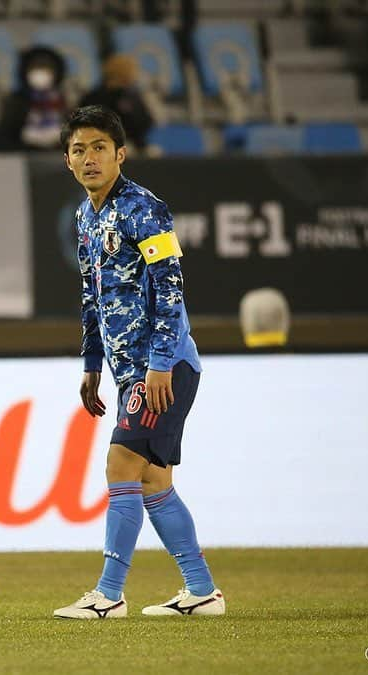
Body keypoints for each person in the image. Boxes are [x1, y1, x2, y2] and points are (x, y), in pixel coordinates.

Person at [53, 106, 224, 619]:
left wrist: (160, 363)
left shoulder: (147, 209)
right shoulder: (85, 216)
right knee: (153, 481)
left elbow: (170, 287)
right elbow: (91, 295)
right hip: (130, 371)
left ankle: (108, 595)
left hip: (163, 368)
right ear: (67, 160)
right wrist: (90, 365)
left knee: (121, 465)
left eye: (99, 148)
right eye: (79, 150)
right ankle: (202, 591)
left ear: (120, 154)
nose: (89, 158)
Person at [0, 46, 69, 152]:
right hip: (24, 156)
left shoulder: (64, 100)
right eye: (35, 68)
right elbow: (5, 137)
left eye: (46, 68)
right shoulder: (17, 101)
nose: (40, 73)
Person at [79, 54, 154, 153]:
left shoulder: (133, 95)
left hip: (134, 143)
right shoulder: (95, 97)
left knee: (153, 152)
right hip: (102, 145)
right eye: (132, 70)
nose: (136, 74)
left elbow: (146, 121)